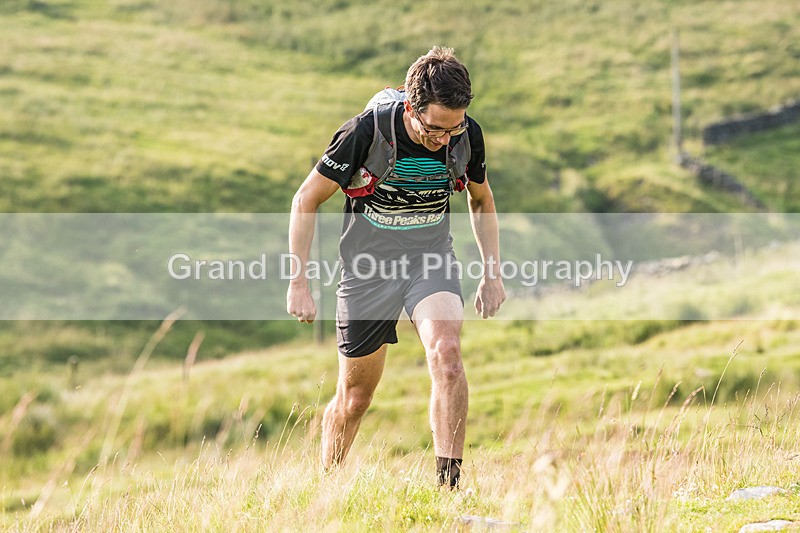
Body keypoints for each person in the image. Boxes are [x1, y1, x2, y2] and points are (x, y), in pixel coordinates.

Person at [286, 46, 505, 488]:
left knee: (447, 355)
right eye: (435, 128)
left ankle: (448, 489)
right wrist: (299, 281)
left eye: (455, 127)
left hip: (430, 258)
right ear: (410, 105)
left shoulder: (465, 135)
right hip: (367, 269)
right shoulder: (365, 132)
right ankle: (327, 486)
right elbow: (305, 199)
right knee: (355, 399)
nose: (446, 138)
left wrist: (491, 272)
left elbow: (480, 199)